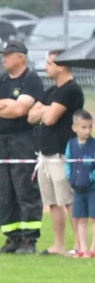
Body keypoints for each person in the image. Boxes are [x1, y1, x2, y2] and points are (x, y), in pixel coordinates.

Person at [0, 41, 44, 255]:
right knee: (5, 189)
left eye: (8, 54)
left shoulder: (31, 80)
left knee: (25, 188)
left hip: (23, 140)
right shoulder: (1, 81)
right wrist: (8, 103)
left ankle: (29, 240)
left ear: (21, 58)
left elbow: (20, 110)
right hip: (2, 139)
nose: (3, 58)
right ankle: (12, 237)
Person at [29, 50, 85, 256]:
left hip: (62, 154)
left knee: (68, 200)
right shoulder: (51, 91)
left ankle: (80, 245)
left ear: (61, 65)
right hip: (45, 155)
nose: (46, 67)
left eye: (49, 63)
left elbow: (51, 118)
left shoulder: (71, 90)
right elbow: (31, 116)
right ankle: (58, 245)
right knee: (52, 202)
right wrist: (46, 110)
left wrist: (45, 111)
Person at [64, 110, 95, 257]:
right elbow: (68, 163)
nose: (88, 130)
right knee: (80, 219)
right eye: (84, 127)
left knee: (93, 219)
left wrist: (91, 177)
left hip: (92, 189)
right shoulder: (71, 145)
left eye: (90, 126)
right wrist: (70, 177)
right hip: (78, 190)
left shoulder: (94, 145)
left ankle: (93, 249)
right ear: (74, 128)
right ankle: (83, 249)